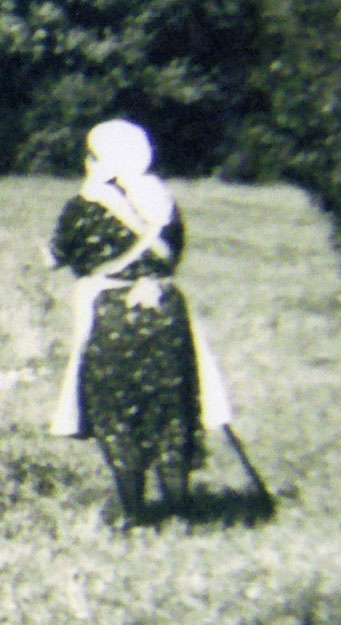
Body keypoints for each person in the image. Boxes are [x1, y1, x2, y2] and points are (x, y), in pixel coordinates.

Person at [47, 118, 234, 521]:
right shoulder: (161, 200)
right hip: (166, 310)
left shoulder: (84, 205)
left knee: (117, 411)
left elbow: (57, 256)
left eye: (91, 155)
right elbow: (174, 250)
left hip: (111, 313)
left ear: (101, 160)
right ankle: (180, 512)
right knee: (171, 408)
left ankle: (135, 512)